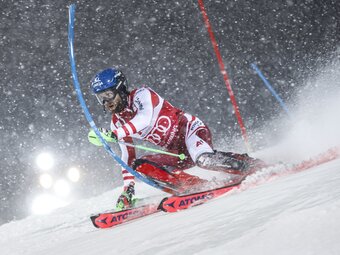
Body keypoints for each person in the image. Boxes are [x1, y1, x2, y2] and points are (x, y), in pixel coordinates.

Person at [88, 67, 264, 211]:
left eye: (108, 95)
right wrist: (128, 189)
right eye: (100, 98)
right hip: (176, 152)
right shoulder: (117, 123)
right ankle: (194, 187)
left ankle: (251, 166)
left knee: (203, 159)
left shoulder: (142, 95)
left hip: (190, 130)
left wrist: (115, 134)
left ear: (120, 88)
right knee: (140, 165)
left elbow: (144, 119)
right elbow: (127, 157)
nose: (106, 102)